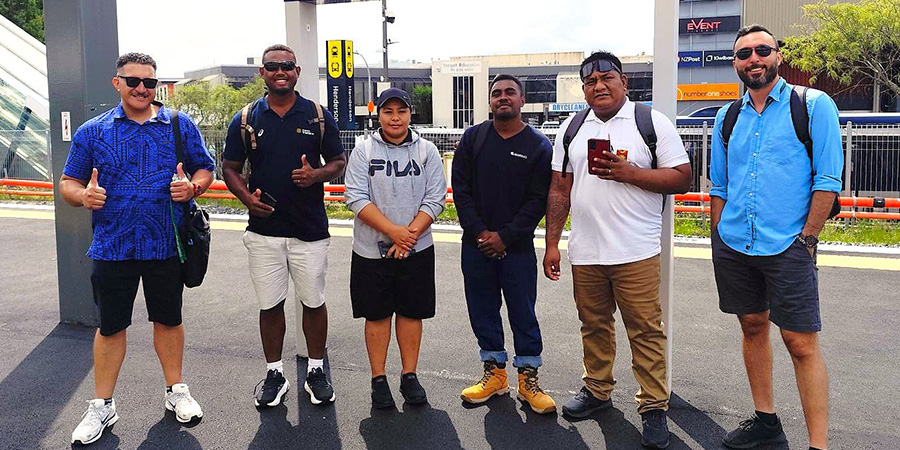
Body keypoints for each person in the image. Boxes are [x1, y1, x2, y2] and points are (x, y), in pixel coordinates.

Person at [60, 52, 214, 445]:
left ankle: (176, 390)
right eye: (133, 82)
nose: (142, 89)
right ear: (117, 84)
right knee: (110, 326)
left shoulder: (179, 125)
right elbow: (67, 183)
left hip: (165, 242)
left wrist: (192, 187)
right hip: (113, 245)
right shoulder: (91, 132)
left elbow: (204, 169)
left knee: (169, 319)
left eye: (149, 82)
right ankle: (102, 404)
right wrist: (84, 196)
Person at [543, 51, 692, 449]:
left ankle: (654, 406)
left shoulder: (651, 122)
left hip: (636, 251)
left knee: (644, 330)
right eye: (590, 82)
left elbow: (682, 177)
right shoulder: (572, 128)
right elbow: (560, 188)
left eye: (607, 78)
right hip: (587, 252)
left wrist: (631, 174)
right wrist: (552, 243)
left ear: (624, 82)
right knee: (593, 325)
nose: (599, 87)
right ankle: (597, 389)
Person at [710, 25, 842, 450]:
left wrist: (808, 238)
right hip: (735, 243)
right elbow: (719, 185)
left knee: (800, 343)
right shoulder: (726, 116)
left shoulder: (813, 104)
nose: (754, 59)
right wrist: (718, 235)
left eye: (762, 50)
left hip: (789, 244)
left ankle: (818, 445)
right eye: (744, 53)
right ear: (735, 64)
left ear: (778, 56)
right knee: (752, 326)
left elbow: (827, 179)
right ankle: (766, 422)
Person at [222, 44, 346, 408]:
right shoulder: (245, 118)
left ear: (297, 71)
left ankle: (316, 369)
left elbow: (338, 160)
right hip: (263, 232)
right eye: (273, 66)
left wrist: (317, 174)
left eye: (287, 66)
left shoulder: (318, 115)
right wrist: (246, 198)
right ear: (262, 73)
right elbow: (229, 167)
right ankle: (274, 372)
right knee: (270, 305)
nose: (281, 71)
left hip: (309, 230)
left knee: (313, 301)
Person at [452, 74, 555, 414]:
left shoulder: (539, 146)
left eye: (510, 92)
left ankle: (528, 380)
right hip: (476, 246)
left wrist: (505, 237)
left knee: (523, 312)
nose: (503, 97)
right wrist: (481, 234)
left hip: (518, 248)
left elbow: (538, 201)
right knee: (482, 310)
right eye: (496, 93)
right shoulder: (473, 139)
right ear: (490, 101)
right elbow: (461, 192)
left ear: (522, 100)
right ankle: (494, 374)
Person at [344, 88, 446, 409]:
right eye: (388, 112)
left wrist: (408, 236)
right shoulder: (363, 152)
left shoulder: (427, 151)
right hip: (371, 250)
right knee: (376, 315)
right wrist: (394, 233)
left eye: (401, 111)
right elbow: (356, 197)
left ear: (410, 114)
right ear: (379, 116)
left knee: (411, 311)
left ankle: (409, 375)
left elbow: (436, 199)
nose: (395, 118)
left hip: (416, 248)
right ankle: (378, 379)